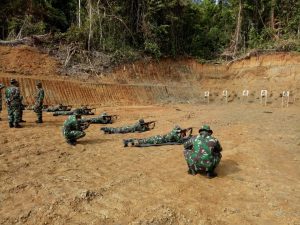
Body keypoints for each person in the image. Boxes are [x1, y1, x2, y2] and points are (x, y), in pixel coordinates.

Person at [123, 125, 192, 147]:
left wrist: (184, 131)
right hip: (158, 140)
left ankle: (128, 141)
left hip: (158, 137)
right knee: (143, 142)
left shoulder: (173, 132)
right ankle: (129, 143)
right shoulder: (175, 135)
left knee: (144, 139)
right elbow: (180, 141)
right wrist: (183, 133)